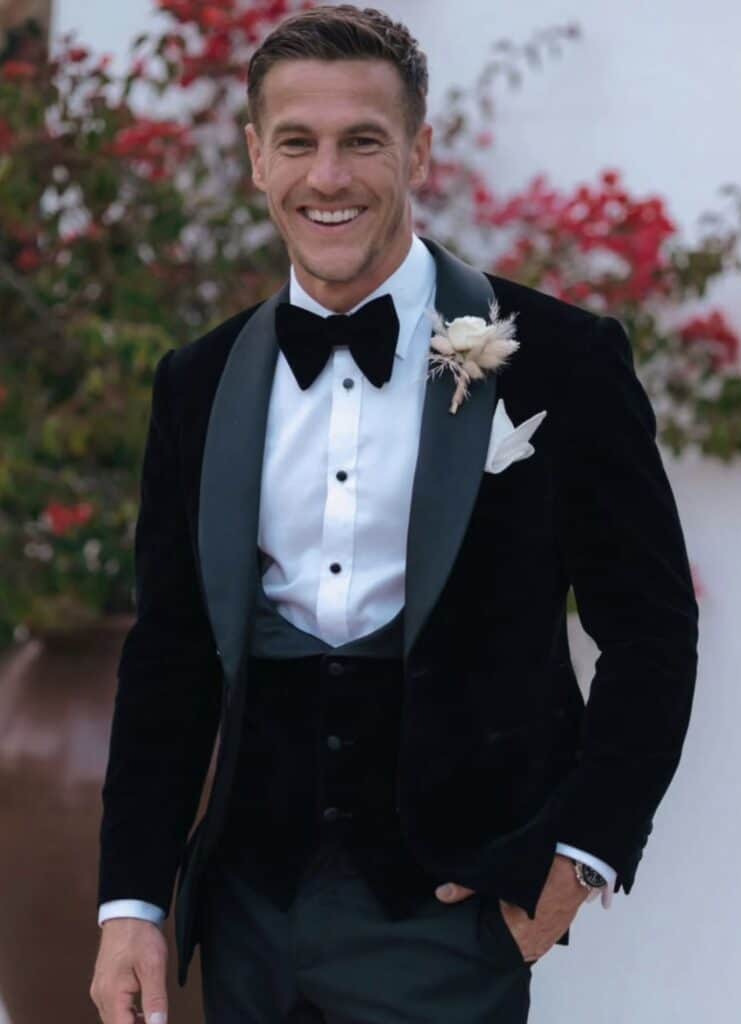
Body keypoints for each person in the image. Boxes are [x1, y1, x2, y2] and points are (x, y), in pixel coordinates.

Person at [90, 5, 699, 1023]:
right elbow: (170, 657)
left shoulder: (562, 360)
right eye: (297, 142)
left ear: (417, 150)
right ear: (255, 157)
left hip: (452, 923)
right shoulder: (194, 382)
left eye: (361, 140)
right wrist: (130, 903)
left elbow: (650, 630)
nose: (327, 176)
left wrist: (575, 861)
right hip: (246, 922)